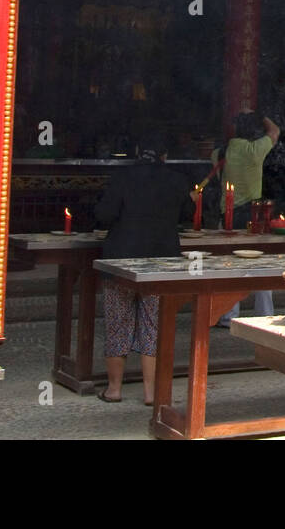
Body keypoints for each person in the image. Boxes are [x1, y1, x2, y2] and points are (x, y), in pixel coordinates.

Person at [93, 133, 193, 404]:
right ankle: (151, 393)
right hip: (160, 265)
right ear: (165, 156)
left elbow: (103, 215)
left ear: (138, 151)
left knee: (118, 324)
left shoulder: (122, 178)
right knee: (153, 326)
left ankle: (114, 390)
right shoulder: (177, 181)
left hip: (120, 262)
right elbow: (188, 215)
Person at [214, 110, 281, 326]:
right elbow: (275, 131)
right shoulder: (255, 150)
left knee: (231, 265)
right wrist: (263, 115)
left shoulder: (220, 153)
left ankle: (228, 314)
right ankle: (264, 314)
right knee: (262, 265)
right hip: (253, 216)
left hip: (228, 217)